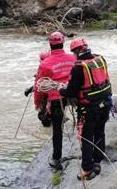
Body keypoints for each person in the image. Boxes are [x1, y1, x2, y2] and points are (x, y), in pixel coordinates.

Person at [60, 38, 113, 181]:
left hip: (89, 109)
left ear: (76, 52)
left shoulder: (78, 67)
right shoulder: (100, 59)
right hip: (105, 104)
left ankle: (88, 169)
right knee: (100, 131)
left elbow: (71, 92)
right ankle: (97, 161)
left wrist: (61, 90)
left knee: (86, 138)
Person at [34, 32, 77, 171]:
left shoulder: (45, 64)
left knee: (57, 130)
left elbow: (39, 86)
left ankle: (56, 158)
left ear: (50, 44)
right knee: (84, 122)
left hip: (56, 99)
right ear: (63, 42)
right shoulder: (73, 58)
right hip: (74, 95)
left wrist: (38, 104)